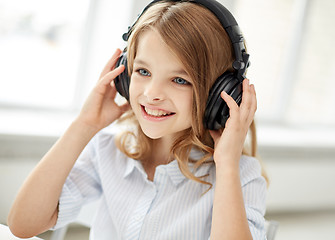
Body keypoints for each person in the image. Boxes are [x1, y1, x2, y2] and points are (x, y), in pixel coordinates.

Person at [7, 0, 267, 239]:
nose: (152, 93)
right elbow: (23, 224)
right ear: (124, 76)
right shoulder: (109, 150)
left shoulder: (240, 175)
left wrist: (227, 167)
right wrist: (84, 125)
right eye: (143, 71)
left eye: (179, 79)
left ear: (219, 95)